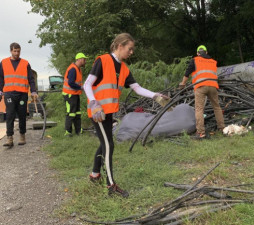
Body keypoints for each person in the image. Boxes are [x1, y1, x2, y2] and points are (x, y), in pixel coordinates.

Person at [83, 33, 169, 198]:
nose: (131, 52)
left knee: (104, 144)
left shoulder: (123, 69)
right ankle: (111, 186)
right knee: (109, 146)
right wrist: (94, 102)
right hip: (98, 112)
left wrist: (155, 96)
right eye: (129, 49)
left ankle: (95, 175)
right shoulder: (102, 61)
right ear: (120, 46)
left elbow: (137, 88)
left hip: (109, 113)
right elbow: (87, 84)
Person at [179, 45, 224, 139]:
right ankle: (222, 128)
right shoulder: (213, 61)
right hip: (213, 86)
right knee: (217, 107)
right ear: (206, 52)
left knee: (199, 109)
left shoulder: (195, 60)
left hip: (201, 86)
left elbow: (187, 73)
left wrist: (182, 84)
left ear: (197, 53)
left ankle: (201, 133)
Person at [0, 42, 38, 147]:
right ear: (11, 51)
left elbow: (31, 79)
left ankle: (22, 135)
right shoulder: (3, 62)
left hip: (22, 94)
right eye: (15, 51)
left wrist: (34, 91)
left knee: (22, 115)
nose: (17, 53)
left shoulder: (25, 63)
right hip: (9, 93)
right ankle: (9, 138)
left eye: (18, 51)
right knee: (10, 115)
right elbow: (1, 78)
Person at [62, 53, 87, 137]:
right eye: (84, 59)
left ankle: (78, 130)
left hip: (74, 94)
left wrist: (80, 88)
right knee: (71, 113)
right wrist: (81, 87)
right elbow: (71, 83)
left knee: (77, 113)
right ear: (79, 59)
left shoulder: (78, 69)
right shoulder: (73, 69)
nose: (85, 61)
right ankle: (68, 132)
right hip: (69, 95)